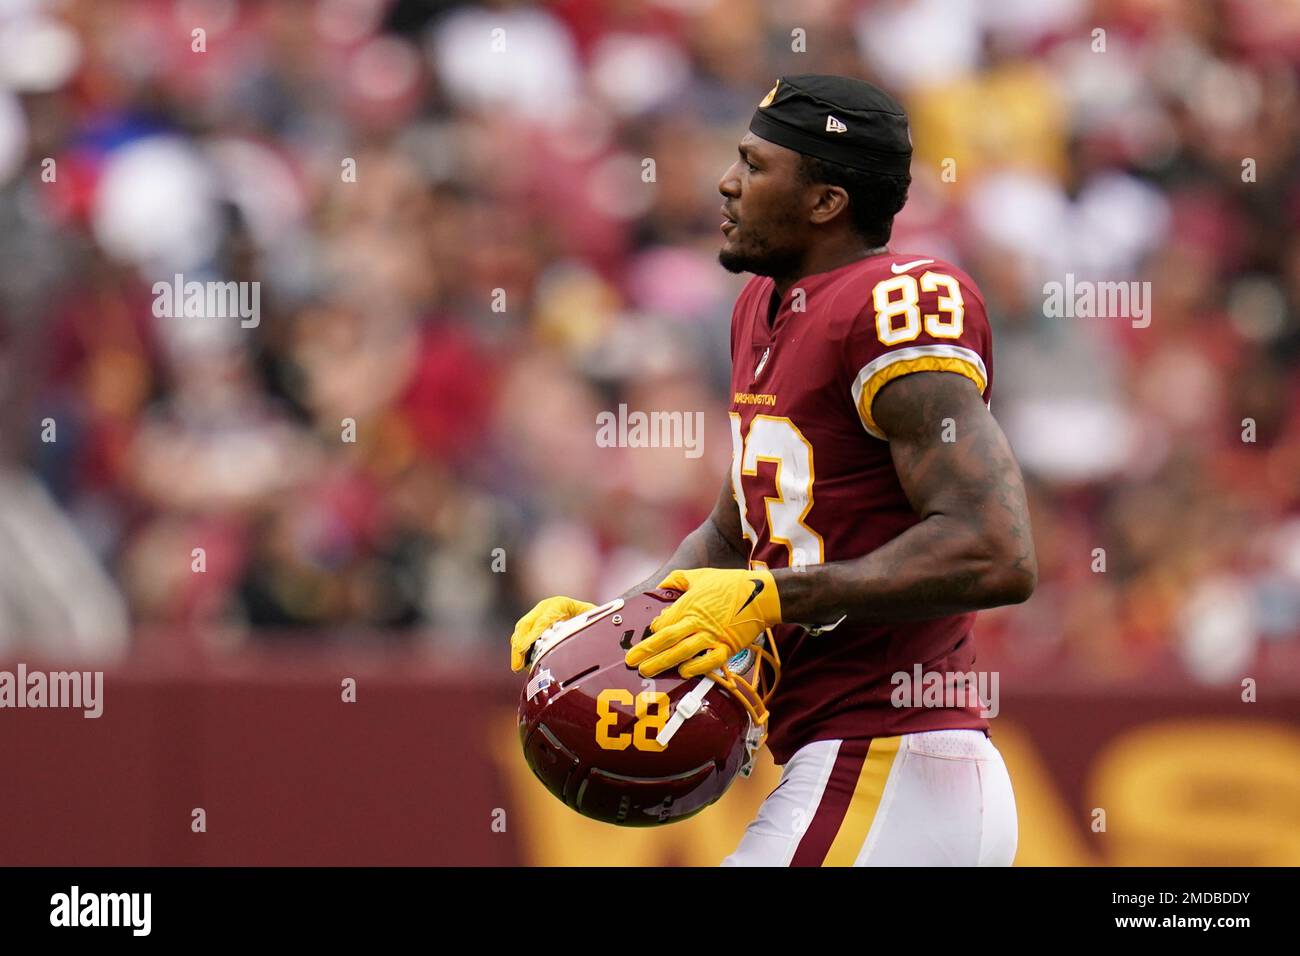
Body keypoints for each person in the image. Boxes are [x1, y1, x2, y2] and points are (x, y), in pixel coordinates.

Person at [510, 75, 1036, 866]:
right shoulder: (763, 305)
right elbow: (735, 531)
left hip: (894, 759)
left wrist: (768, 598)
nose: (728, 182)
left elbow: (996, 551)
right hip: (852, 763)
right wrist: (616, 626)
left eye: (756, 167)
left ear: (826, 201)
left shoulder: (898, 305)